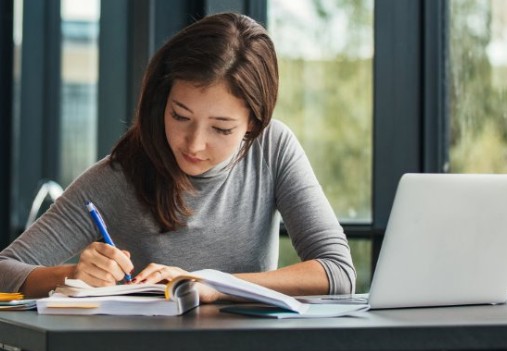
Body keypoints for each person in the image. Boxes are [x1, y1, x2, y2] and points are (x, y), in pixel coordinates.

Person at [0, 12, 356, 301]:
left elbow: (337, 271)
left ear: (253, 124)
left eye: (221, 129)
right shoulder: (120, 176)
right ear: (161, 102)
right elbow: (5, 268)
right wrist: (71, 275)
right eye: (180, 116)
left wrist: (213, 285)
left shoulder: (272, 149)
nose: (194, 144)